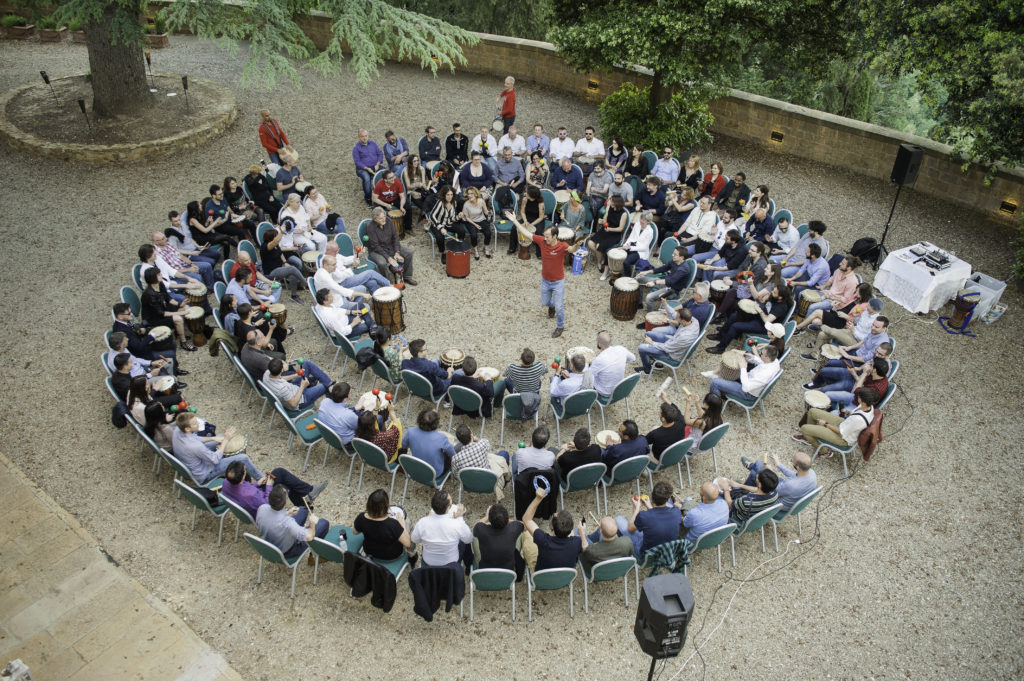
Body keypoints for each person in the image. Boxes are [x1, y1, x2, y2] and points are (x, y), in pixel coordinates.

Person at [506, 213, 576, 337]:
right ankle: (552, 306)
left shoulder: (562, 246)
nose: (545, 238)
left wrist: (576, 246)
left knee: (560, 307)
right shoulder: (542, 241)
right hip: (545, 280)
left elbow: (571, 250)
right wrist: (515, 221)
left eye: (548, 236)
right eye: (544, 236)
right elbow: (526, 233)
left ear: (555, 236)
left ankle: (560, 326)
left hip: (558, 282)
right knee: (545, 302)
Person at [588, 481, 681, 559]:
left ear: (652, 497)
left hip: (645, 553)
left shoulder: (644, 516)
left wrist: (637, 508)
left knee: (618, 519)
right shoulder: (676, 512)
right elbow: (659, 516)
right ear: (668, 499)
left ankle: (591, 540)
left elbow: (630, 528)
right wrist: (648, 506)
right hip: (666, 550)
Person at [172, 412, 261, 484]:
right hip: (205, 474)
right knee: (243, 458)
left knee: (219, 437)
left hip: (191, 459)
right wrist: (226, 440)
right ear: (187, 429)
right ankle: (262, 479)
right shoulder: (196, 447)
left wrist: (213, 438)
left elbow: (195, 438)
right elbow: (215, 459)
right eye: (195, 423)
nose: (198, 423)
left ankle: (232, 464)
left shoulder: (177, 430)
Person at [221, 460, 327, 519]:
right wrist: (268, 486)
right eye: (245, 471)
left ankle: (305, 500)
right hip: (260, 508)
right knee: (284, 485)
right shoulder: (251, 494)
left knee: (279, 473)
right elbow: (266, 504)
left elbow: (243, 487)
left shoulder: (226, 482)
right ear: (243, 476)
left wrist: (257, 483)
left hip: (249, 501)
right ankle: (308, 494)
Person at [795, 385, 881, 452]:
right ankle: (809, 437)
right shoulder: (868, 406)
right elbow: (854, 416)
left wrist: (825, 424)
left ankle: (824, 451)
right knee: (812, 411)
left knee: (804, 428)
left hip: (842, 438)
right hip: (844, 423)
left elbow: (841, 432)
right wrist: (847, 412)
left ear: (864, 401)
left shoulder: (859, 420)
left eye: (859, 397)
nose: (857, 398)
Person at [256, 484, 330, 559]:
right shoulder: (288, 522)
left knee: (302, 510)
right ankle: (317, 557)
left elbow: (274, 518)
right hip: (288, 551)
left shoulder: (262, 508)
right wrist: (312, 523)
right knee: (324, 523)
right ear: (286, 502)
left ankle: (298, 528)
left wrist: (287, 513)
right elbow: (309, 536)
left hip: (270, 542)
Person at [522, 487, 581, 570]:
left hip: (540, 578)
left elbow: (526, 519)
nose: (555, 513)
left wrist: (538, 498)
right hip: (565, 577)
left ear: (552, 526)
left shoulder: (543, 540)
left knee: (527, 534)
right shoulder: (577, 542)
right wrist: (582, 533)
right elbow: (585, 547)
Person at [410, 491, 472, 567]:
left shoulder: (422, 522)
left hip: (429, 562)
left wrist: (428, 518)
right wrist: (460, 517)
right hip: (451, 564)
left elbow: (414, 539)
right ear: (448, 508)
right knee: (463, 541)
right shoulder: (457, 524)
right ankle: (469, 566)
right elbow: (469, 539)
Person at [451, 425, 511, 500]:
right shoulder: (481, 445)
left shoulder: (455, 459)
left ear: (459, 441)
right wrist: (476, 439)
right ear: (471, 435)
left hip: (469, 484)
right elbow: (487, 444)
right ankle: (505, 480)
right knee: (504, 454)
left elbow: (456, 475)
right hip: (489, 484)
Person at [739, 452, 816, 511]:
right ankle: (752, 466)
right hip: (789, 495)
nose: (792, 461)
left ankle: (740, 492)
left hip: (776, 503)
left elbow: (770, 489)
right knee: (759, 466)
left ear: (798, 467)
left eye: (793, 461)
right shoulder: (811, 473)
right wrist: (778, 464)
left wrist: (770, 472)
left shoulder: (791, 485)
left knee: (754, 474)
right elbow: (793, 475)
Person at [353, 489, 414, 562]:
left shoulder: (361, 517)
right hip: (392, 556)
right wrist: (402, 524)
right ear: (387, 506)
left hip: (369, 552)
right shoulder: (393, 524)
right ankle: (412, 555)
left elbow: (354, 532)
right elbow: (407, 543)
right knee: (408, 522)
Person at [140, 267, 194, 350]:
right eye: (159, 274)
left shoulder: (160, 284)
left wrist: (180, 304)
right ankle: (183, 342)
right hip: (154, 318)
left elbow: (168, 298)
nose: (161, 275)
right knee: (178, 318)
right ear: (153, 278)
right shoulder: (149, 295)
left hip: (163, 308)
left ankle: (178, 331)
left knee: (185, 307)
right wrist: (179, 313)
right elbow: (161, 313)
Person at [636, 308, 699, 375]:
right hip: (672, 341)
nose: (676, 320)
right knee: (648, 333)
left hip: (671, 354)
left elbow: (666, 348)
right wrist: (668, 317)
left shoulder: (684, 337)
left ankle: (647, 370)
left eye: (677, 319)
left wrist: (652, 342)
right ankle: (654, 359)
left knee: (641, 348)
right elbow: (675, 315)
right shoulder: (694, 321)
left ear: (683, 321)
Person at [708, 345, 781, 402]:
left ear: (767, 358)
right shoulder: (775, 361)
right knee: (730, 370)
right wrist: (755, 358)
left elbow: (746, 388)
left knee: (714, 382)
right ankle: (723, 390)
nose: (760, 353)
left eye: (762, 353)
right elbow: (764, 363)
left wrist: (743, 368)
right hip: (749, 378)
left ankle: (714, 407)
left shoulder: (764, 374)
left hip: (748, 393)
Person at [365, 207, 417, 286]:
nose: (384, 220)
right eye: (381, 218)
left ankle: (407, 277)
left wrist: (397, 252)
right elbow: (375, 246)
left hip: (390, 246)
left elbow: (395, 237)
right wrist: (388, 258)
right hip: (376, 251)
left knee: (409, 253)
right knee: (382, 263)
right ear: (375, 219)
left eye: (384, 217)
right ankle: (385, 282)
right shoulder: (370, 227)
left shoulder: (388, 221)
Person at [636, 246, 693, 316]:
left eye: (675, 254)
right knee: (639, 280)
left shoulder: (683, 269)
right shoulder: (674, 261)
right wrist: (647, 272)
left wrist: (654, 282)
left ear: (682, 257)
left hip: (672, 291)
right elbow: (663, 268)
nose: (672, 255)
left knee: (649, 297)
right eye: (673, 253)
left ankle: (649, 318)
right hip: (666, 283)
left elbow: (670, 281)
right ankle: (639, 304)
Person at [262, 357, 333, 411]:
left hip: (293, 388)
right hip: (301, 399)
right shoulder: (281, 389)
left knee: (306, 363)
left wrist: (296, 375)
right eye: (283, 364)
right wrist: (302, 386)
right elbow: (294, 404)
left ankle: (330, 384)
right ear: (281, 370)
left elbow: (280, 379)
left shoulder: (267, 374)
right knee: (324, 386)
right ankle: (335, 402)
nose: (284, 363)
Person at [472, 503, 525, 576]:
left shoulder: (481, 530)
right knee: (520, 535)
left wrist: (487, 516)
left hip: (485, 569)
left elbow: (475, 526)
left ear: (490, 520)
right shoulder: (514, 528)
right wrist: (504, 519)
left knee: (474, 539)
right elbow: (523, 525)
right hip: (508, 570)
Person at [402, 407, 455, 475]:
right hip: (435, 474)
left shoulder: (410, 432)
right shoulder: (441, 438)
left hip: (416, 469)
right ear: (436, 423)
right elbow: (453, 454)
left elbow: (403, 445)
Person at [588, 194, 628, 280]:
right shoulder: (610, 208)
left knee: (599, 246)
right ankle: (601, 257)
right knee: (590, 243)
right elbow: (605, 221)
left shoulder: (623, 214)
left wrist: (610, 229)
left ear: (616, 203)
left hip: (614, 234)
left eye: (612, 201)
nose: (610, 202)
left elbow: (620, 229)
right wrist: (603, 218)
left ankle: (599, 262)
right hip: (605, 230)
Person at [259, 228, 305, 303]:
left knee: (292, 274)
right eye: (276, 236)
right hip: (271, 272)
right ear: (271, 238)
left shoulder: (276, 245)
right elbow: (275, 242)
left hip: (280, 267)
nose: (278, 238)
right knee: (292, 268)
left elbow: (280, 253)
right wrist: (282, 232)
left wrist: (285, 262)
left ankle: (294, 295)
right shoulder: (265, 247)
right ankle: (305, 284)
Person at [589, 332, 636, 398]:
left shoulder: (599, 359)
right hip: (619, 388)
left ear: (599, 344)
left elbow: (588, 374)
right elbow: (633, 358)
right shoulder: (621, 349)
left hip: (605, 392)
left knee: (587, 374)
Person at [429, 184, 468, 264]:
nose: (450, 197)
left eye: (451, 194)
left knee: (461, 230)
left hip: (448, 223)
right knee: (440, 237)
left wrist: (459, 217)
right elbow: (431, 216)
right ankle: (443, 252)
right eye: (448, 195)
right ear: (444, 195)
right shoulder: (440, 203)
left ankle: (458, 246)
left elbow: (452, 218)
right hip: (437, 224)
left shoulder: (454, 203)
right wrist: (440, 227)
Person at [645, 396, 688, 461]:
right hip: (676, 455)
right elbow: (676, 409)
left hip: (660, 459)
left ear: (663, 419)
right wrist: (665, 399)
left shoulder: (656, 434)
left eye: (660, 412)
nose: (659, 413)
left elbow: (644, 442)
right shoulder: (682, 422)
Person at [353, 129, 384, 207]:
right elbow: (357, 162)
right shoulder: (356, 148)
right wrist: (367, 168)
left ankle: (385, 194)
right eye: (362, 136)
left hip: (375, 166)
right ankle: (368, 198)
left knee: (386, 173)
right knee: (366, 179)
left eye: (366, 136)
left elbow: (380, 154)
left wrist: (378, 163)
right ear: (359, 137)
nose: (364, 138)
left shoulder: (373, 143)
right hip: (362, 169)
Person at [621, 210, 656, 276]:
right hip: (632, 246)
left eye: (643, 220)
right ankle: (617, 273)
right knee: (619, 251)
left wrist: (630, 247)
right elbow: (631, 237)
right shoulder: (637, 224)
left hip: (640, 252)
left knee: (626, 262)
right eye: (641, 218)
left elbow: (644, 247)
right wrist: (625, 245)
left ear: (648, 222)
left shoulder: (650, 231)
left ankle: (627, 279)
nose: (641, 221)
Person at [514, 185, 547, 257]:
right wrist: (525, 221)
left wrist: (531, 224)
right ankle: (513, 248)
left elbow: (541, 217)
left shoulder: (540, 203)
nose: (525, 193)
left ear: (532, 195)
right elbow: (522, 212)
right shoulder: (525, 200)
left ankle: (539, 253)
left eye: (527, 192)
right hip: (527, 218)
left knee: (538, 232)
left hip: (537, 220)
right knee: (515, 227)